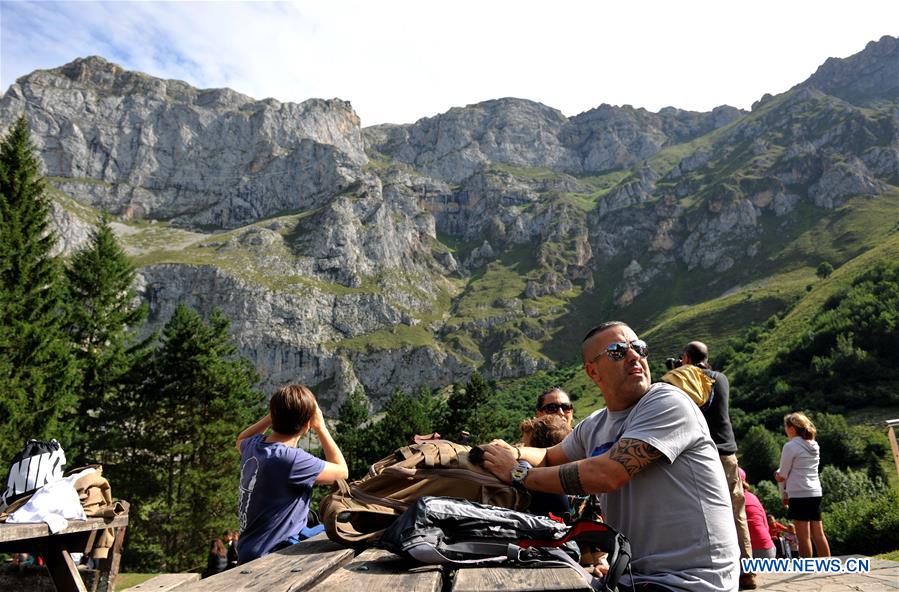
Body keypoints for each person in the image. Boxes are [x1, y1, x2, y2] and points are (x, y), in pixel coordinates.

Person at [482, 321, 739, 592]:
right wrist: (511, 453)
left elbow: (608, 474)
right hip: (633, 578)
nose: (635, 356)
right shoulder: (595, 425)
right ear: (593, 371)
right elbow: (548, 456)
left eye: (639, 348)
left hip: (691, 583)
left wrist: (518, 473)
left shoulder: (668, 401)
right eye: (618, 351)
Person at [235, 384, 348, 564]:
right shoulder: (291, 459)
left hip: (248, 549)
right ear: (307, 424)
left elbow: (241, 439)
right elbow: (342, 471)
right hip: (271, 555)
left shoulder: (253, 446)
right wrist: (321, 428)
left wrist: (270, 418)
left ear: (273, 415)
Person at [680, 341, 755, 589]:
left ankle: (710, 571)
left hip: (703, 454)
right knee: (738, 512)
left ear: (687, 359)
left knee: (702, 512)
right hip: (729, 452)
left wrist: (679, 372)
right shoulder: (721, 378)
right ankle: (748, 572)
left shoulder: (688, 378)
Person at [775, 412, 830, 558]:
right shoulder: (814, 445)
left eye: (786, 427)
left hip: (799, 493)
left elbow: (783, 475)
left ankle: (808, 569)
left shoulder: (790, 446)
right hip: (815, 492)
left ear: (792, 428)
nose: (785, 430)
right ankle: (828, 565)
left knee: (803, 536)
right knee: (818, 533)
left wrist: (778, 477)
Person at [738, 469, 776, 559]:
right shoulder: (753, 497)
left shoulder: (732, 500)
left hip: (750, 552)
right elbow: (765, 525)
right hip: (768, 548)